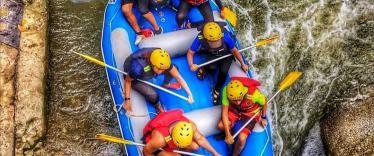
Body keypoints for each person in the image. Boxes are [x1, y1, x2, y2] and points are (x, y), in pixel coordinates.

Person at [187, 22, 248, 104]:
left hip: (226, 54)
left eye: (217, 40)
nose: (216, 42)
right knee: (211, 67)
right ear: (206, 38)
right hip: (212, 53)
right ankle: (204, 69)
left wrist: (242, 64)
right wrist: (191, 64)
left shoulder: (225, 37)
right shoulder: (200, 38)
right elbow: (190, 53)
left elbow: (234, 50)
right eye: (213, 41)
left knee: (223, 72)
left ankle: (217, 90)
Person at [122, 48, 194, 113]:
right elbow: (128, 81)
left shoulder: (163, 61)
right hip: (134, 73)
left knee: (175, 68)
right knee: (153, 96)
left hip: (149, 70)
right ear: (152, 64)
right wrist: (127, 101)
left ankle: (166, 84)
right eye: (159, 69)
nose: (160, 72)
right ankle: (158, 107)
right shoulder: (137, 68)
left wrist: (189, 94)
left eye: (163, 69)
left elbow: (178, 77)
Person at [217, 77, 268, 156]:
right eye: (234, 100)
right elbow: (224, 113)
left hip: (250, 113)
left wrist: (263, 117)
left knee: (242, 138)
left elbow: (265, 101)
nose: (237, 102)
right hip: (236, 111)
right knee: (221, 126)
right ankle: (232, 137)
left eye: (239, 99)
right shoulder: (226, 91)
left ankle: (234, 155)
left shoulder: (254, 94)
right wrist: (227, 134)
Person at [143, 109, 221, 156]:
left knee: (195, 146)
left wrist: (215, 153)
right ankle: (162, 152)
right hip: (155, 143)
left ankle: (175, 152)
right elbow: (146, 150)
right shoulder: (160, 139)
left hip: (169, 139)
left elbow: (200, 138)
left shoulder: (190, 126)